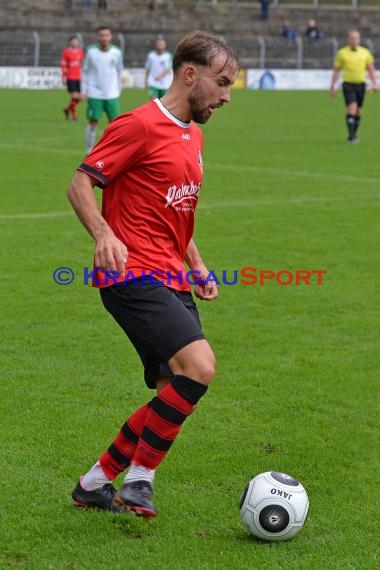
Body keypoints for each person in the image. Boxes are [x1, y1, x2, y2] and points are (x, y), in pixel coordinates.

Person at [67, 30, 239, 519]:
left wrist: (199, 265)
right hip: (130, 275)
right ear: (190, 74)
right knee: (200, 367)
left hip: (172, 275)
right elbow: (80, 183)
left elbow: (174, 213)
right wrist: (103, 233)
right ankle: (140, 480)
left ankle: (95, 483)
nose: (227, 96)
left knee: (175, 391)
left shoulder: (195, 134)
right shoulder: (139, 124)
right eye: (222, 82)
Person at [330, 30, 377, 143]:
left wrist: (374, 83)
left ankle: (354, 132)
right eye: (352, 38)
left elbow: (370, 69)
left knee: (359, 111)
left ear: (359, 39)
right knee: (352, 107)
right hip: (348, 84)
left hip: (361, 84)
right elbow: (336, 70)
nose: (354, 40)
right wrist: (333, 86)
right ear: (348, 39)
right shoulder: (342, 53)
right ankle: (351, 137)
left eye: (356, 38)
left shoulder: (365, 52)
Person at [81, 26, 123, 152]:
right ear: (97, 37)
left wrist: (118, 89)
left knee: (114, 124)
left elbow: (119, 71)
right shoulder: (91, 51)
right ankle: (89, 150)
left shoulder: (117, 52)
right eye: (101, 35)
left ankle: (112, 150)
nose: (104, 38)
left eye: (107, 35)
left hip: (112, 94)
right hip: (95, 93)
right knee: (93, 121)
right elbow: (85, 71)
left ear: (111, 37)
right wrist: (84, 90)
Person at [61, 36, 85, 121]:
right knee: (75, 96)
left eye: (77, 41)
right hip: (70, 77)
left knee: (80, 98)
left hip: (79, 78)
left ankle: (67, 109)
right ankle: (74, 116)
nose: (75, 43)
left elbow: (84, 64)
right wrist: (64, 77)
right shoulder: (66, 52)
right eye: (73, 41)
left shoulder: (80, 52)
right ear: (70, 42)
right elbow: (63, 65)